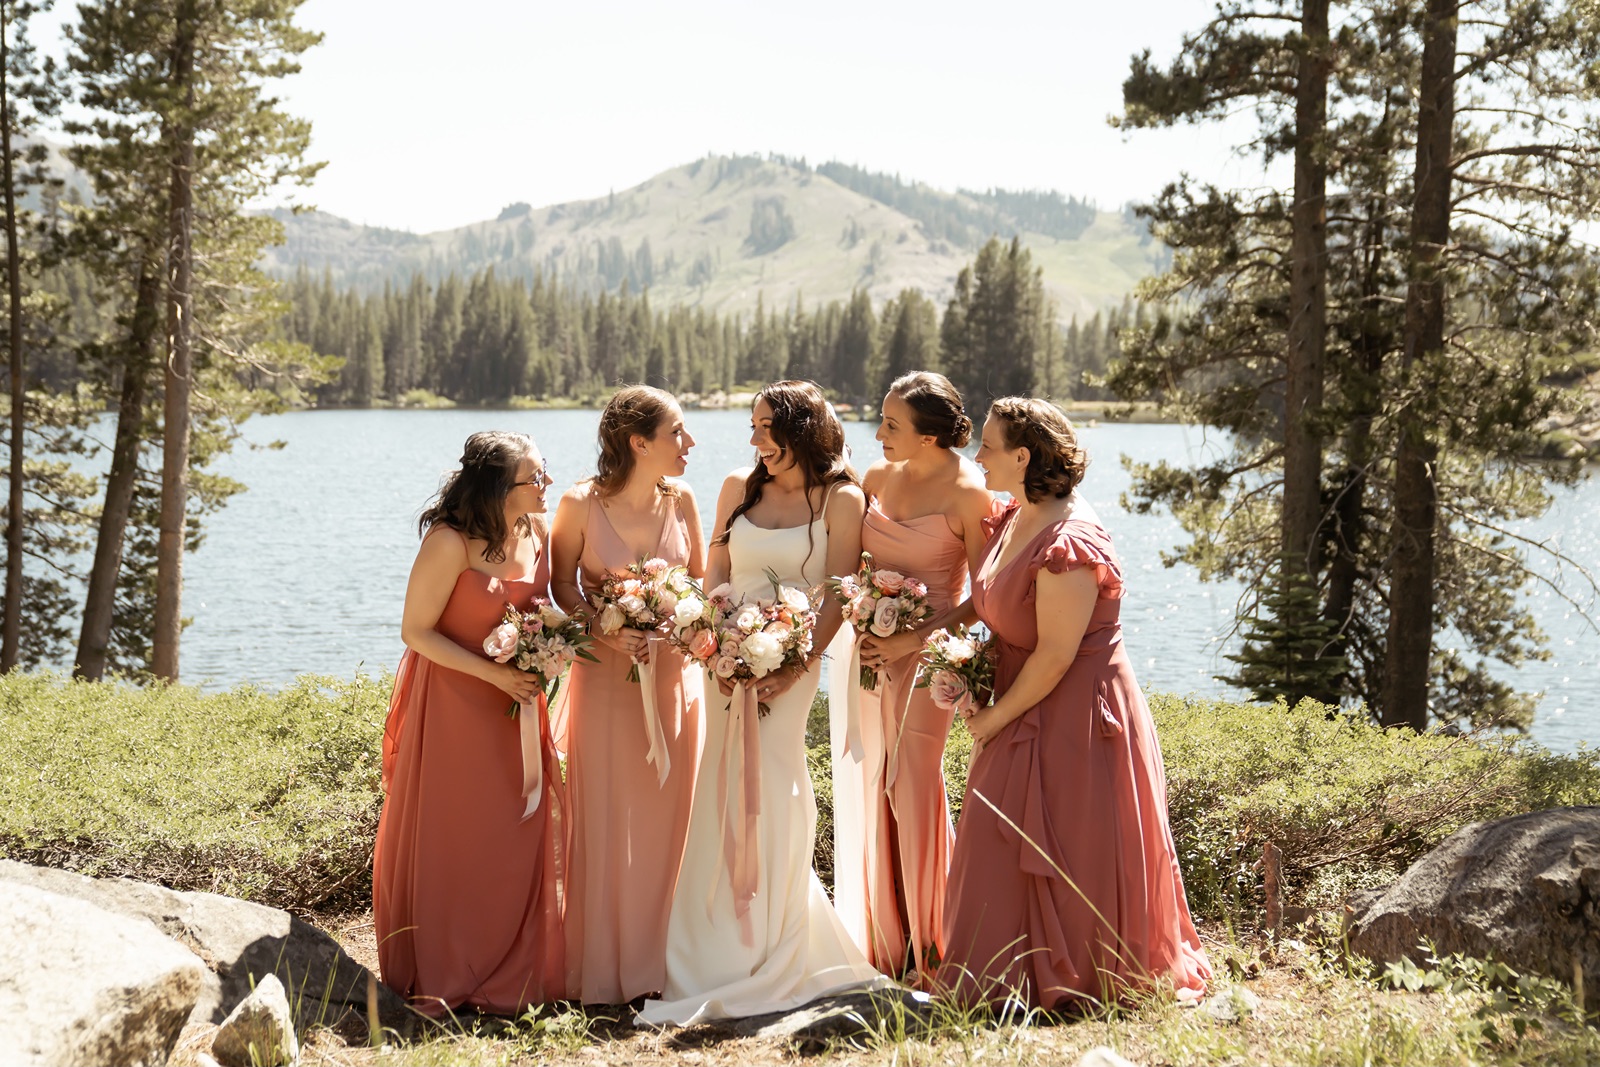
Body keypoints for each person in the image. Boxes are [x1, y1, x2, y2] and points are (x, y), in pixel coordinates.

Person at [939, 397, 1210, 1010]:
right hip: (1023, 695)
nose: (976, 455)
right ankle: (1002, 984)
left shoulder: (1070, 541)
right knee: (996, 842)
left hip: (1076, 717)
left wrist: (992, 719)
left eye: (987, 444)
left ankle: (1078, 980)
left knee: (1068, 848)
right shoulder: (1015, 514)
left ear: (1022, 456)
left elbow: (1057, 655)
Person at [637, 380, 891, 1026]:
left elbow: (837, 591)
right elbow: (715, 568)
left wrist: (797, 659)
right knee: (715, 779)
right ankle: (706, 950)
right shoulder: (735, 488)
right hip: (724, 658)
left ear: (800, 428)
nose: (754, 440)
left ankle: (773, 939)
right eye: (752, 427)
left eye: (765, 427)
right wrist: (714, 631)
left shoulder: (842, 498)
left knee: (776, 779)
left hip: (792, 658)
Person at [373, 430, 570, 1013]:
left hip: (518, 703)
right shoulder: (450, 542)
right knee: (458, 834)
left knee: (517, 827)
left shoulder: (537, 530)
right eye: (535, 477)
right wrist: (495, 676)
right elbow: (416, 632)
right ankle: (447, 968)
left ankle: (515, 967)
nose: (547, 484)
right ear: (496, 486)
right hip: (457, 706)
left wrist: (554, 641)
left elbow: (542, 607)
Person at [829, 372, 996, 984]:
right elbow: (853, 566)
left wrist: (909, 637)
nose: (878, 434)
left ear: (930, 437)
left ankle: (936, 945)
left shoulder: (970, 494)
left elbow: (984, 597)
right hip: (871, 650)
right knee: (875, 780)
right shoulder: (875, 477)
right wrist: (863, 620)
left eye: (892, 425)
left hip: (933, 658)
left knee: (913, 781)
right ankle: (887, 943)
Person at [549, 386, 708, 1005]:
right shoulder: (577, 504)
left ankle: (665, 963)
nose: (688, 443)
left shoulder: (684, 499)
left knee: (673, 816)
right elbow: (562, 582)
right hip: (604, 681)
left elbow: (697, 585)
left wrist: (673, 624)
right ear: (639, 443)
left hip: (673, 678)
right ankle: (604, 968)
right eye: (678, 433)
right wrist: (602, 629)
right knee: (608, 816)